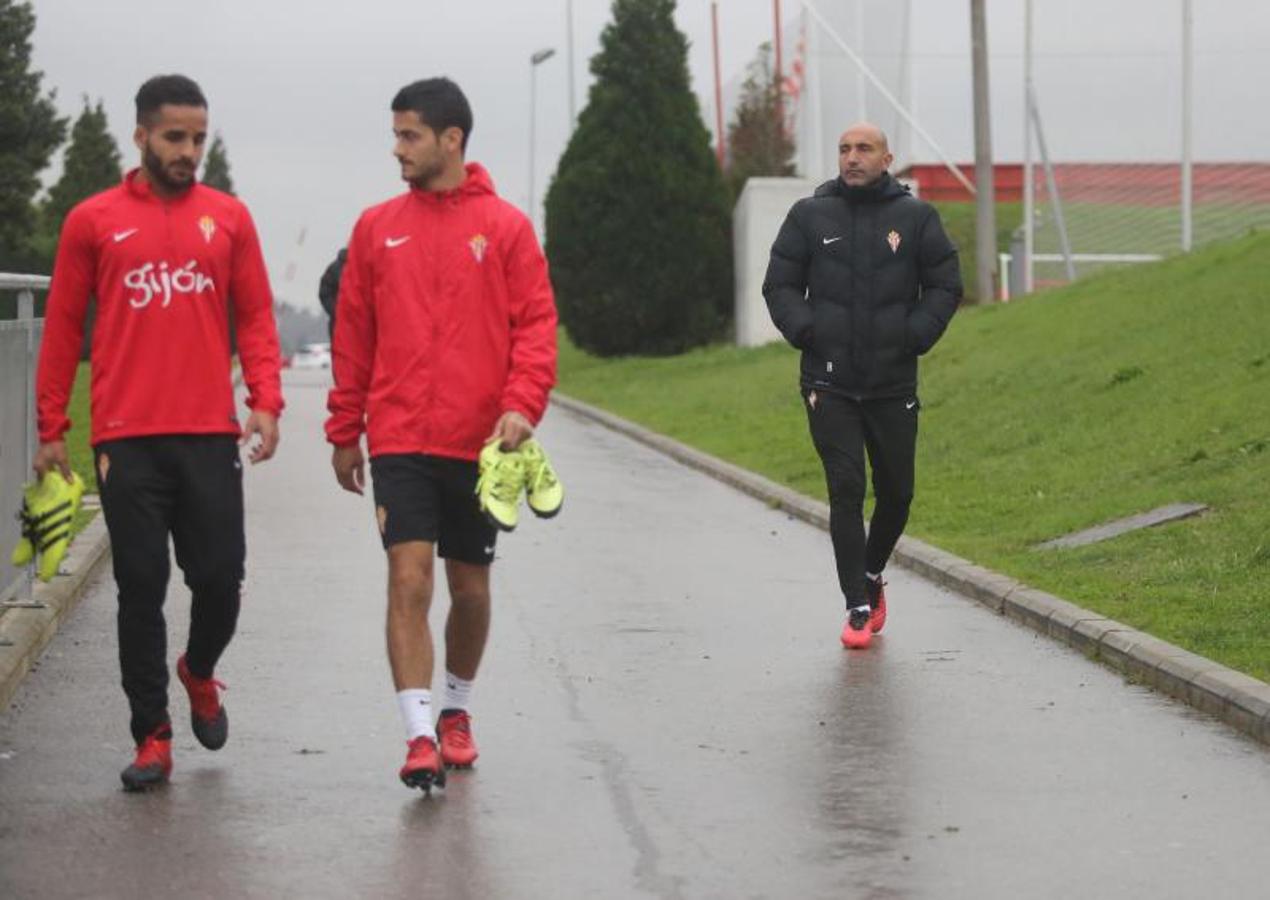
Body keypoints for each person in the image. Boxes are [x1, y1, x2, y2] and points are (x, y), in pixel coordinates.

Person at [34, 74, 284, 789]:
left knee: (218, 580)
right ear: (141, 135)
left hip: (208, 433)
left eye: (199, 138)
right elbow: (61, 330)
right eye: (175, 137)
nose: (189, 151)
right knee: (140, 587)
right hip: (126, 438)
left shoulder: (229, 219)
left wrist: (266, 399)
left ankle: (199, 671)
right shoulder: (92, 220)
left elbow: (258, 317)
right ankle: (152, 735)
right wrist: (52, 424)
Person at [325, 77, 557, 793]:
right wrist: (344, 427)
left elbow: (537, 330)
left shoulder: (509, 228)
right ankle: (419, 732)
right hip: (399, 437)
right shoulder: (375, 228)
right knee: (409, 578)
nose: (398, 149)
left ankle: (456, 708)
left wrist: (522, 406)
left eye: (410, 136)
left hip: (481, 442)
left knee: (472, 590)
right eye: (396, 135)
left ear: (451, 140)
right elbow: (354, 332)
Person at [763, 122, 962, 650]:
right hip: (828, 384)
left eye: (864, 149)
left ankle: (872, 573)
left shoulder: (916, 218)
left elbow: (945, 283)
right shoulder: (809, 216)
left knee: (897, 492)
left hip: (893, 382)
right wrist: (806, 330)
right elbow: (779, 283)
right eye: (845, 149)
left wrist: (914, 335)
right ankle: (855, 605)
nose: (852, 157)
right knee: (846, 489)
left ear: (887, 157)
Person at [317, 247, 346, 339]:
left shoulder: (367, 266)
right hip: (340, 324)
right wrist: (337, 311)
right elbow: (325, 293)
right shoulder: (336, 268)